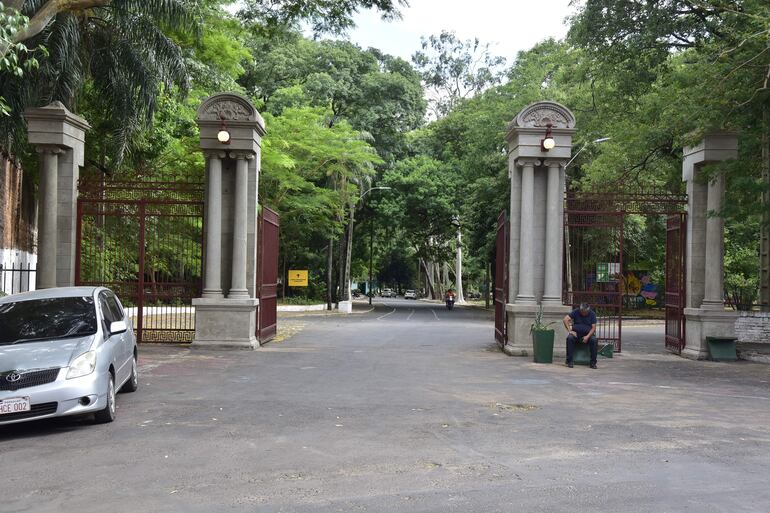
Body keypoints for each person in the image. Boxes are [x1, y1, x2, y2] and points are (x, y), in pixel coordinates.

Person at [563, 302, 598, 369]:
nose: (584, 313)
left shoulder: (592, 314)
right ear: (580, 310)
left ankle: (593, 362)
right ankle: (569, 361)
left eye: (585, 312)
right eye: (582, 312)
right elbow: (565, 319)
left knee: (594, 340)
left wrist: (587, 336)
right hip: (576, 334)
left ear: (588, 310)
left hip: (588, 335)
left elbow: (593, 328)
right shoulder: (576, 311)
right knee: (570, 338)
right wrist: (570, 331)